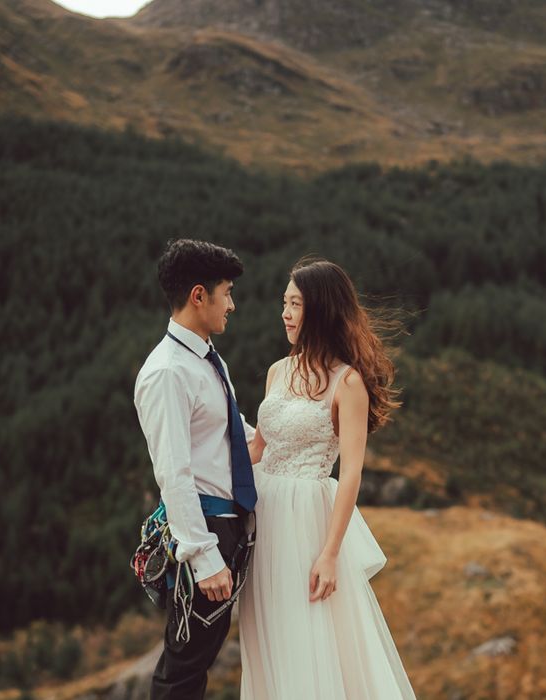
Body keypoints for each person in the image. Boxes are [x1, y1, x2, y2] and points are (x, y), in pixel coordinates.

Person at [239, 259, 417, 699]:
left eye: (295, 304)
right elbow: (258, 449)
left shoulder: (348, 382)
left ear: (319, 310)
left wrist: (331, 553)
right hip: (263, 520)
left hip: (307, 525)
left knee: (308, 638)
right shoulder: (278, 371)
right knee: (268, 634)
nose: (285, 313)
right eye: (284, 303)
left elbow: (351, 470)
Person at [134, 239, 257, 700]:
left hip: (224, 525)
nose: (233, 304)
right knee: (185, 667)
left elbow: (234, 435)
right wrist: (204, 558)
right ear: (199, 295)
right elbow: (173, 473)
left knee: (198, 658)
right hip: (203, 531)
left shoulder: (206, 358)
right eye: (227, 293)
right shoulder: (167, 371)